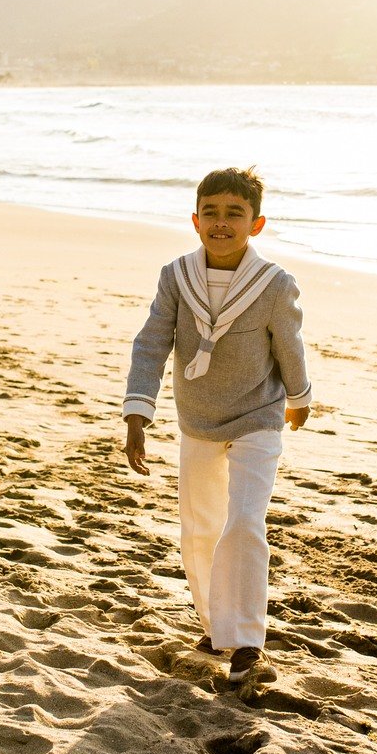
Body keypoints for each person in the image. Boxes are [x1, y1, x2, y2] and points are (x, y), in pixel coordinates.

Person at [123, 167, 312, 683]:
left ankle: (248, 641)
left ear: (257, 224)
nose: (222, 223)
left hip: (259, 416)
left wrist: (299, 398)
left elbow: (288, 346)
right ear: (195, 219)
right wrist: (138, 413)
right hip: (199, 419)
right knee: (201, 529)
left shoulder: (276, 284)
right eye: (212, 213)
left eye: (235, 214)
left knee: (245, 521)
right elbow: (152, 342)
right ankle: (216, 626)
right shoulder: (176, 276)